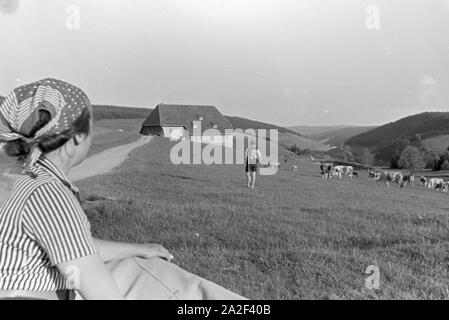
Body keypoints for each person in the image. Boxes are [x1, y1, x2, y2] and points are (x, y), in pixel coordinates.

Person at [0, 78, 245, 300]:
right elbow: (102, 293)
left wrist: (141, 249)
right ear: (77, 137)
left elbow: (74, 246)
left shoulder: (20, 180)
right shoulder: (49, 195)